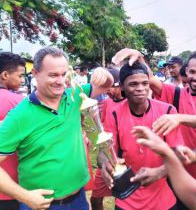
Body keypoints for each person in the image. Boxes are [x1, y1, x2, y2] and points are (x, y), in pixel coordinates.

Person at [0, 46, 113, 210]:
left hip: (78, 200)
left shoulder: (74, 95)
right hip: (41, 205)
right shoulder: (19, 115)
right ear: (35, 74)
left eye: (63, 74)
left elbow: (105, 86)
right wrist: (24, 196)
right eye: (53, 75)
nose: (60, 81)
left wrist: (105, 74)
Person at [112, 49, 196, 184]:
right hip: (180, 170)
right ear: (186, 72)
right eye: (192, 72)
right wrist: (138, 55)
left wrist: (178, 118)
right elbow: (147, 78)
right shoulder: (176, 94)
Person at [99, 62, 179, 210]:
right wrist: (104, 163)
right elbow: (104, 151)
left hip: (163, 199)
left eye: (144, 83)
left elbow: (179, 155)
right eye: (133, 84)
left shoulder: (168, 111)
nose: (140, 89)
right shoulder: (114, 113)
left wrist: (160, 172)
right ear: (122, 86)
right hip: (127, 199)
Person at [90, 67, 125, 210]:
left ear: (119, 85)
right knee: (95, 198)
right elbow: (102, 126)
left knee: (123, 198)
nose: (106, 92)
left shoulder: (132, 103)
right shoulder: (108, 103)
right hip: (107, 158)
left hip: (123, 160)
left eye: (109, 88)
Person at [0, 52, 26, 210]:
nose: (23, 80)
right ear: (4, 75)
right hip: (12, 186)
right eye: (20, 76)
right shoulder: (20, 103)